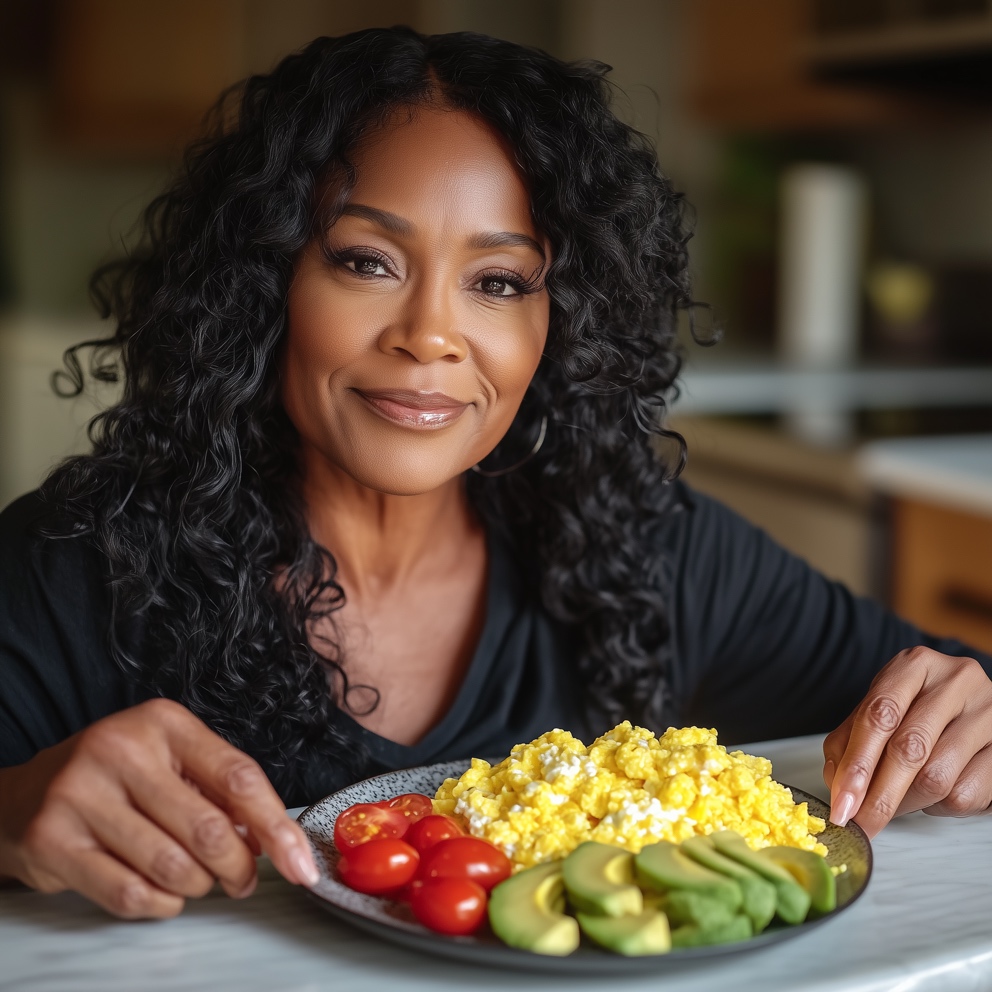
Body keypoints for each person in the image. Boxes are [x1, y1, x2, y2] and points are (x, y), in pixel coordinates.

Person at [1, 27, 990, 921]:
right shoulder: (78, 565)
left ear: (555, 323)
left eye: (498, 282)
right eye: (364, 260)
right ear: (265, 282)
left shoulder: (645, 550)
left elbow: (941, 703)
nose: (429, 333)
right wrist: (10, 811)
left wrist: (966, 704)